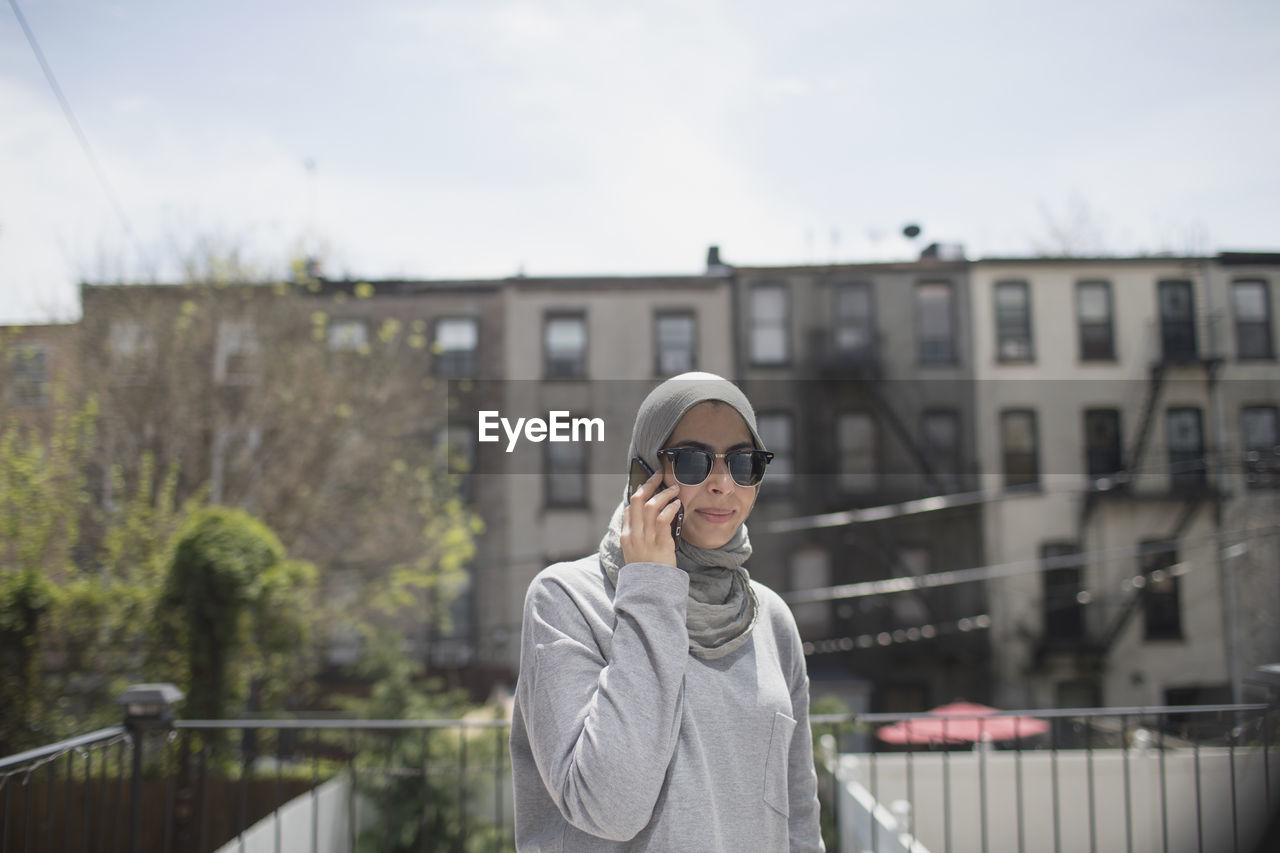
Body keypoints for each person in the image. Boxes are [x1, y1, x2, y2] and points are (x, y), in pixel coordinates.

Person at [510, 372, 825, 851]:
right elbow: (609, 808)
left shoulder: (770, 618)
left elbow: (798, 820)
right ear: (643, 473)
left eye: (744, 462)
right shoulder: (566, 599)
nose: (723, 484)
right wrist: (652, 588)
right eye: (694, 461)